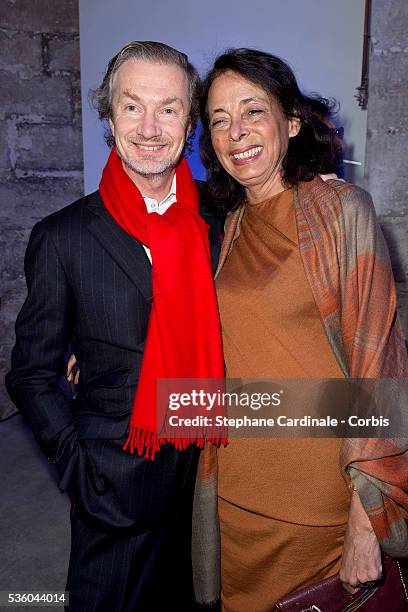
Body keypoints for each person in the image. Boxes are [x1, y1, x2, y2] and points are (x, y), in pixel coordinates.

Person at [6, 41, 224, 612]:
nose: (150, 127)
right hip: (116, 481)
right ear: (108, 116)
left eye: (169, 108)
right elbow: (30, 373)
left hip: (212, 472)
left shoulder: (220, 221)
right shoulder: (64, 236)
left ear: (190, 122)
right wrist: (79, 469)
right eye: (133, 106)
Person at [192, 48, 408, 611]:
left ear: (291, 121)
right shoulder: (227, 227)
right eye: (218, 119)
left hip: (319, 505)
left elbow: (380, 366)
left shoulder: (341, 210)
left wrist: (367, 517)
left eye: (252, 111)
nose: (235, 132)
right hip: (233, 495)